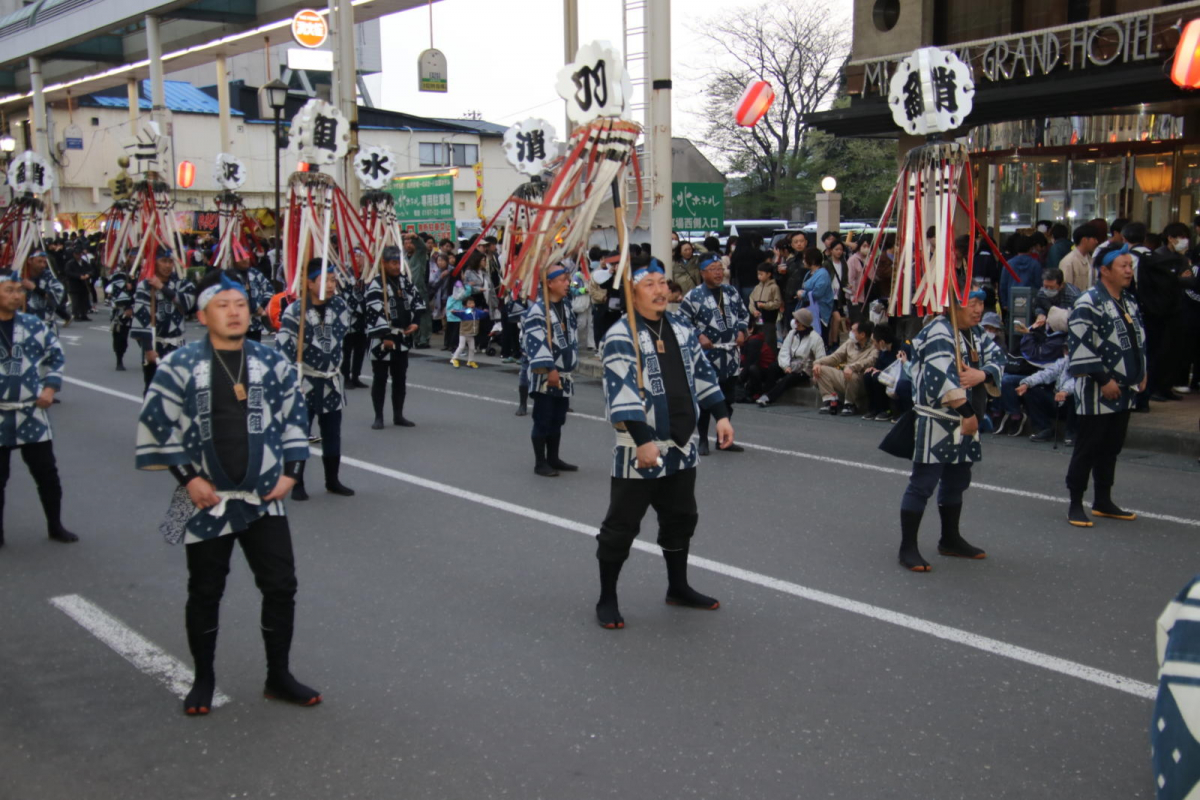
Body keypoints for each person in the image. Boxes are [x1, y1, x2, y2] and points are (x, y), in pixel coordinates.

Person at [136, 271, 320, 715]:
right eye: (223, 305)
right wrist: (188, 478)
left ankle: (278, 675)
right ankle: (203, 677)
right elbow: (157, 423)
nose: (234, 312)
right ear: (203, 315)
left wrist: (292, 473)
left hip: (264, 498)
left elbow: (297, 415)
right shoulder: (179, 364)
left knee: (281, 586)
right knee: (205, 590)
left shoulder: (271, 361)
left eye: (240, 304)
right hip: (208, 499)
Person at [595, 261, 733, 629]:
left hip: (681, 444)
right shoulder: (620, 335)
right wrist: (642, 441)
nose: (659, 290)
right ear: (632, 291)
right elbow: (619, 392)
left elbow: (702, 372)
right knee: (621, 527)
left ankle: (678, 586)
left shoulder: (681, 329)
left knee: (681, 519)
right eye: (649, 284)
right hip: (639, 449)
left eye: (662, 282)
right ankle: (607, 597)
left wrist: (720, 414)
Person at [897, 291, 1005, 572]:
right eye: (972, 302)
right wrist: (967, 412)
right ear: (952, 305)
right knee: (923, 483)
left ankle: (950, 538)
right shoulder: (938, 330)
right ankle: (907, 547)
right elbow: (939, 377)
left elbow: (999, 357)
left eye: (981, 303)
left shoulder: (976, 333)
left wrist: (983, 374)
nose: (978, 309)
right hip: (939, 419)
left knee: (957, 480)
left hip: (967, 420)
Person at [1065, 249, 1147, 527]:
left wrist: (1141, 371)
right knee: (1088, 447)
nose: (1128, 270)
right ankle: (1075, 502)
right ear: (1105, 270)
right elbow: (1080, 344)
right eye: (1123, 265)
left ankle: (1103, 499)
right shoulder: (1088, 302)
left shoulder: (1129, 301)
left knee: (1112, 447)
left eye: (1130, 266)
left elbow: (1139, 340)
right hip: (1095, 390)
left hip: (1125, 387)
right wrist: (1103, 379)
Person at [0, 274, 78, 548]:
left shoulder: (32, 324)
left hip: (30, 412)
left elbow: (56, 355)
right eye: (9, 290)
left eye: (18, 290)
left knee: (47, 473)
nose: (16, 295)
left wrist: (50, 387)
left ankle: (55, 525)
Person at [276, 260, 355, 501]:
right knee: (299, 433)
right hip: (304, 381)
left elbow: (345, 332)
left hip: (331, 380)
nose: (331, 285)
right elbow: (283, 349)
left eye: (333, 280)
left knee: (332, 433)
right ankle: (297, 482)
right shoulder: (294, 311)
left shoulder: (341, 307)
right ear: (309, 283)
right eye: (325, 280)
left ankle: (332, 480)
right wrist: (291, 379)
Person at [679, 254, 749, 456]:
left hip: (730, 354)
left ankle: (723, 438)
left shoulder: (731, 292)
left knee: (728, 399)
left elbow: (744, 314)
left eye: (720, 268)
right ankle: (702, 439)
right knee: (706, 398)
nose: (719, 273)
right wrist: (698, 335)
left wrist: (742, 331)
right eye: (713, 269)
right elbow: (682, 322)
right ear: (702, 272)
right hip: (707, 357)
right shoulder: (693, 296)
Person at [521, 266, 579, 477]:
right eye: (563, 280)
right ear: (550, 283)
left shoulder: (566, 306)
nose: (567, 283)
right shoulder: (538, 310)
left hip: (563, 374)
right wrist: (550, 369)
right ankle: (540, 462)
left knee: (558, 418)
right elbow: (534, 341)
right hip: (546, 375)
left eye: (567, 279)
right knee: (543, 418)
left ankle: (553, 458)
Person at [365, 245, 425, 429]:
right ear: (383, 263)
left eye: (398, 262)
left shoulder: (404, 282)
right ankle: (378, 416)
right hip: (382, 339)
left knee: (400, 378)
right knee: (380, 378)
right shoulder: (376, 283)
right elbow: (374, 309)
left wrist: (415, 321)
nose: (396, 266)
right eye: (392, 262)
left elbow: (418, 301)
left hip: (402, 337)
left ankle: (398, 415)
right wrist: (385, 335)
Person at [131, 249, 197, 394]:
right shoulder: (145, 285)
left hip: (177, 346)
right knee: (153, 388)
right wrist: (148, 348)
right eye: (163, 261)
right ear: (154, 262)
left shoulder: (181, 283)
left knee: (178, 389)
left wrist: (162, 287)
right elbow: (142, 318)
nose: (167, 266)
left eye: (170, 261)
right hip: (156, 344)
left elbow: (189, 303)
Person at [756, 308, 825, 407]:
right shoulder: (792, 333)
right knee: (773, 368)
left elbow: (820, 357)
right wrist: (785, 366)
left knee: (789, 378)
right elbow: (784, 350)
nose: (794, 322)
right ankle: (765, 392)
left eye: (797, 320)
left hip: (804, 369)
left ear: (802, 323)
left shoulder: (816, 338)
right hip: (790, 364)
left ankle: (769, 397)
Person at [1015, 339, 1076, 444]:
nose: (1066, 352)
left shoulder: (1082, 365)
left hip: (1070, 399)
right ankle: (1043, 428)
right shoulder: (1061, 362)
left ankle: (1072, 433)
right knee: (1032, 392)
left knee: (1075, 397)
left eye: (1068, 350)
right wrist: (1026, 383)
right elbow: (1046, 374)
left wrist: (1065, 391)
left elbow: (1077, 382)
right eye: (1065, 349)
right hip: (1058, 398)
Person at [813, 320, 878, 416]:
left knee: (852, 375)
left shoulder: (874, 346)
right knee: (821, 370)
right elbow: (835, 357)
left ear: (862, 334)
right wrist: (818, 363)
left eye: (853, 331)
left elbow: (869, 361)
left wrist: (852, 367)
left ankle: (849, 404)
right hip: (845, 376)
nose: (850, 333)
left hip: (861, 380)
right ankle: (831, 401)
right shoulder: (850, 343)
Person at [228, 253, 274, 343]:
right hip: (235, 322)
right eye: (241, 257)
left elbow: (269, 290)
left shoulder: (256, 273)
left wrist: (262, 305)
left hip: (255, 322)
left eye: (246, 256)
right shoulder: (228, 276)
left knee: (254, 351)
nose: (245, 259)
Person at [862, 323, 899, 421]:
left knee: (877, 377)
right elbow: (879, 365)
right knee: (868, 375)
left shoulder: (899, 349)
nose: (873, 345)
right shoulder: (883, 350)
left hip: (894, 378)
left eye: (874, 342)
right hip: (883, 373)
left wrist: (879, 371)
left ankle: (886, 409)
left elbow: (896, 368)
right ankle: (873, 409)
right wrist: (873, 369)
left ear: (882, 342)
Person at [19, 250, 66, 327]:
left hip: (45, 322)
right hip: (23, 322)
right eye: (39, 261)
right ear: (30, 260)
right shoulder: (20, 276)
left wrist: (35, 288)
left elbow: (58, 292)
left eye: (44, 262)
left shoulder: (47, 276)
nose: (43, 265)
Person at [998, 234, 1042, 314]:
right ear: (1030, 248)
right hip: (1030, 304)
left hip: (1012, 302)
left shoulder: (1008, 264)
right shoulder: (1035, 264)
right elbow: (1038, 285)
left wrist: (1004, 303)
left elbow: (1003, 285)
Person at [798, 248, 834, 344]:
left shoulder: (823, 274)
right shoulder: (809, 273)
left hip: (819, 312)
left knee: (819, 339)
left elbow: (817, 293)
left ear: (812, 260)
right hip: (809, 310)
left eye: (805, 258)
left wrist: (803, 294)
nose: (803, 261)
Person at [339, 277, 369, 389]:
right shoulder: (345, 281)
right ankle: (346, 378)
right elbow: (350, 303)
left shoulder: (365, 281)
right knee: (346, 352)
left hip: (363, 324)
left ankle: (356, 376)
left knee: (360, 352)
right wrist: (362, 308)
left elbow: (370, 300)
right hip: (349, 324)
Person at [403, 232, 432, 349]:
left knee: (423, 314)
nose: (408, 245)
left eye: (410, 243)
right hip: (406, 290)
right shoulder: (403, 257)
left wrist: (416, 238)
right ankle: (414, 338)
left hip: (419, 288)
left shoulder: (419, 254)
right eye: (406, 243)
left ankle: (423, 339)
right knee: (410, 314)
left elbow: (422, 247)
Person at [104, 265, 135, 371]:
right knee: (121, 337)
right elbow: (117, 290)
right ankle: (119, 359)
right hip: (122, 310)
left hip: (141, 308)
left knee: (145, 336)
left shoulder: (145, 269)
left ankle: (148, 358)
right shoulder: (121, 274)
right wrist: (127, 306)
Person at [748, 262, 782, 349]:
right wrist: (753, 310)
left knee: (769, 340)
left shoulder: (774, 287)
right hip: (757, 318)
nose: (759, 276)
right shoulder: (757, 287)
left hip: (769, 318)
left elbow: (777, 303)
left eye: (761, 274)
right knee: (758, 339)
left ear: (769, 274)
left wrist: (765, 305)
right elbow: (751, 299)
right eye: (758, 274)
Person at [1060, 223, 1100, 292]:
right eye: (1094, 238)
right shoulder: (1069, 261)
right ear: (1084, 240)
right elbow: (1066, 290)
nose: (1096, 241)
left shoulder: (1091, 259)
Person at [449, 294, 482, 368]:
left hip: (471, 333)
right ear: (465, 305)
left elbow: (481, 313)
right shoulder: (465, 312)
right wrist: (454, 311)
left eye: (473, 303)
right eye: (469, 303)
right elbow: (459, 312)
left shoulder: (475, 311)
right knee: (461, 346)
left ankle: (470, 361)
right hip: (464, 333)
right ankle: (454, 359)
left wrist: (485, 312)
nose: (472, 304)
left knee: (472, 348)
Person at [64, 244, 92, 322]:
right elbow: (68, 273)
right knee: (75, 301)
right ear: (74, 254)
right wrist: (79, 276)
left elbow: (91, 270)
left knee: (84, 300)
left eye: (80, 254)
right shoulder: (70, 263)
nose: (78, 256)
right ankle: (75, 315)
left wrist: (88, 274)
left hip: (84, 284)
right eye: (77, 254)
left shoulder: (84, 262)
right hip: (74, 284)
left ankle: (84, 314)